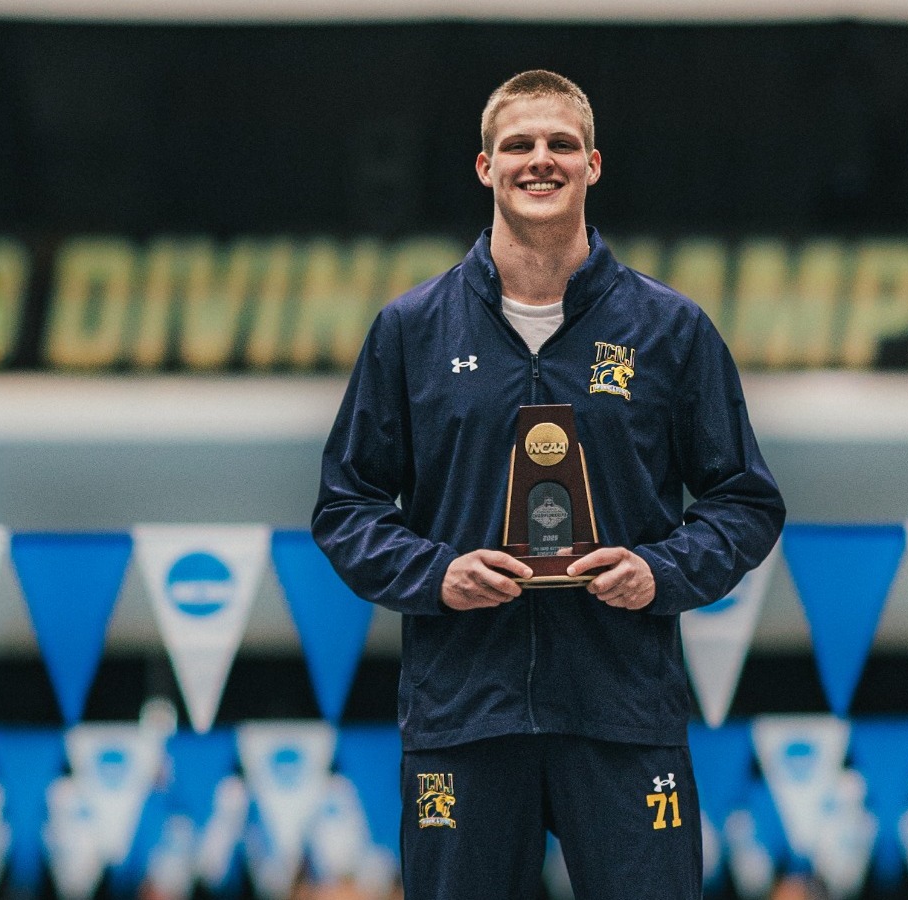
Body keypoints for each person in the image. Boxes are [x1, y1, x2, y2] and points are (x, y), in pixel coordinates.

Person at [313, 69, 785, 900]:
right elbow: (346, 506)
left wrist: (661, 572)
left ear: (593, 165)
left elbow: (744, 500)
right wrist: (437, 576)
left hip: (623, 710)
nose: (541, 160)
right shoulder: (412, 331)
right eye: (519, 145)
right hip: (463, 714)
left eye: (560, 144)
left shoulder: (669, 330)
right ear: (485, 168)